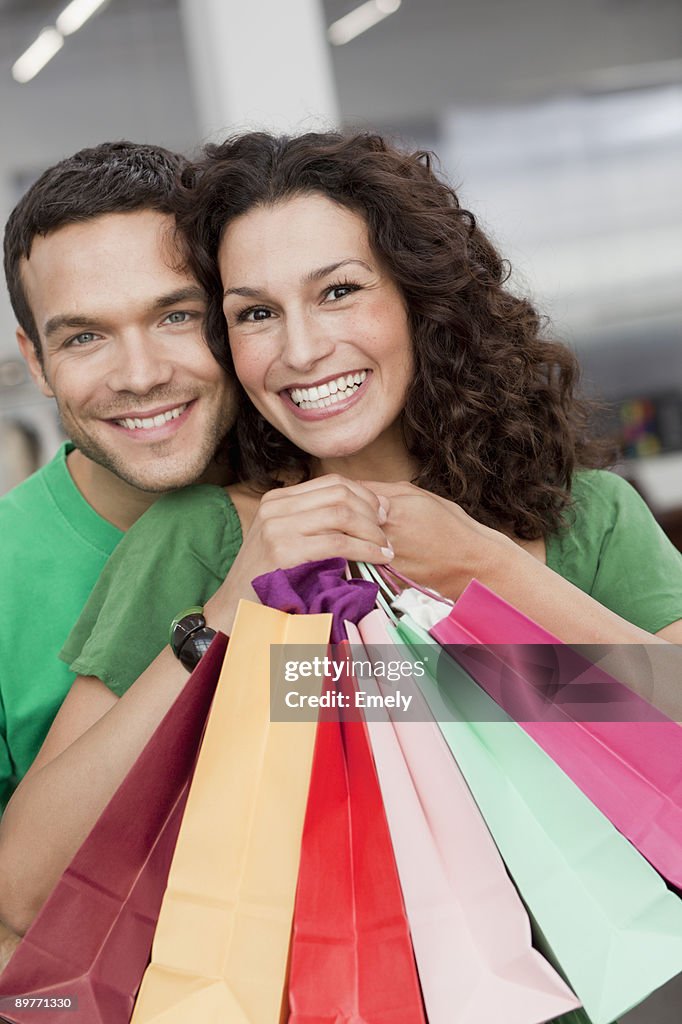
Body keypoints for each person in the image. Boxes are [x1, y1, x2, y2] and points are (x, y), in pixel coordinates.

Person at [1, 131, 681, 939]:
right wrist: (226, 615)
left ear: (419, 297)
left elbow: (662, 727)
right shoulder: (206, 537)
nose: (301, 348)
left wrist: (484, 565)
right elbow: (28, 888)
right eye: (256, 313)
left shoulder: (586, 514)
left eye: (338, 292)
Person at [0, 141, 236, 816]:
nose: (141, 374)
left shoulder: (327, 505)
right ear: (37, 362)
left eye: (176, 316)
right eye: (83, 337)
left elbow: (551, 695)